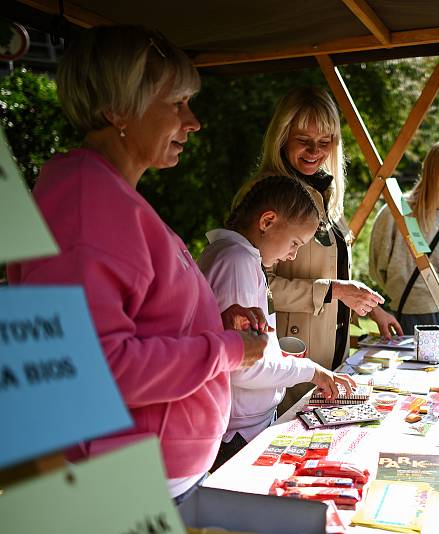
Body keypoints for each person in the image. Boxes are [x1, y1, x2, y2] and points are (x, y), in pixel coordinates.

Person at [6, 26, 268, 503]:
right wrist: (227, 349)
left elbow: (133, 321)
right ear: (118, 110)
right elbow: (98, 367)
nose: (193, 122)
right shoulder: (90, 204)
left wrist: (208, 323)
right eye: (177, 104)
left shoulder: (105, 194)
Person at [233, 87, 402, 411]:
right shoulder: (265, 195)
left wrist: (369, 307)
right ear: (281, 137)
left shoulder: (324, 193)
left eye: (325, 142)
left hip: (328, 359)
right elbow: (255, 286)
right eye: (304, 140)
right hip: (287, 362)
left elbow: (331, 277)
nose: (315, 151)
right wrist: (333, 291)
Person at [198, 175, 356, 470]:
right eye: (295, 243)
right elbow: (242, 366)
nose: (292, 255)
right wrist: (310, 371)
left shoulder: (242, 259)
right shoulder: (237, 262)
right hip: (237, 432)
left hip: (245, 422)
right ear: (267, 221)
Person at [369, 138, 439, 336]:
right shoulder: (397, 212)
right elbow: (377, 266)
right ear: (431, 168)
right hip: (414, 312)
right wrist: (409, 291)